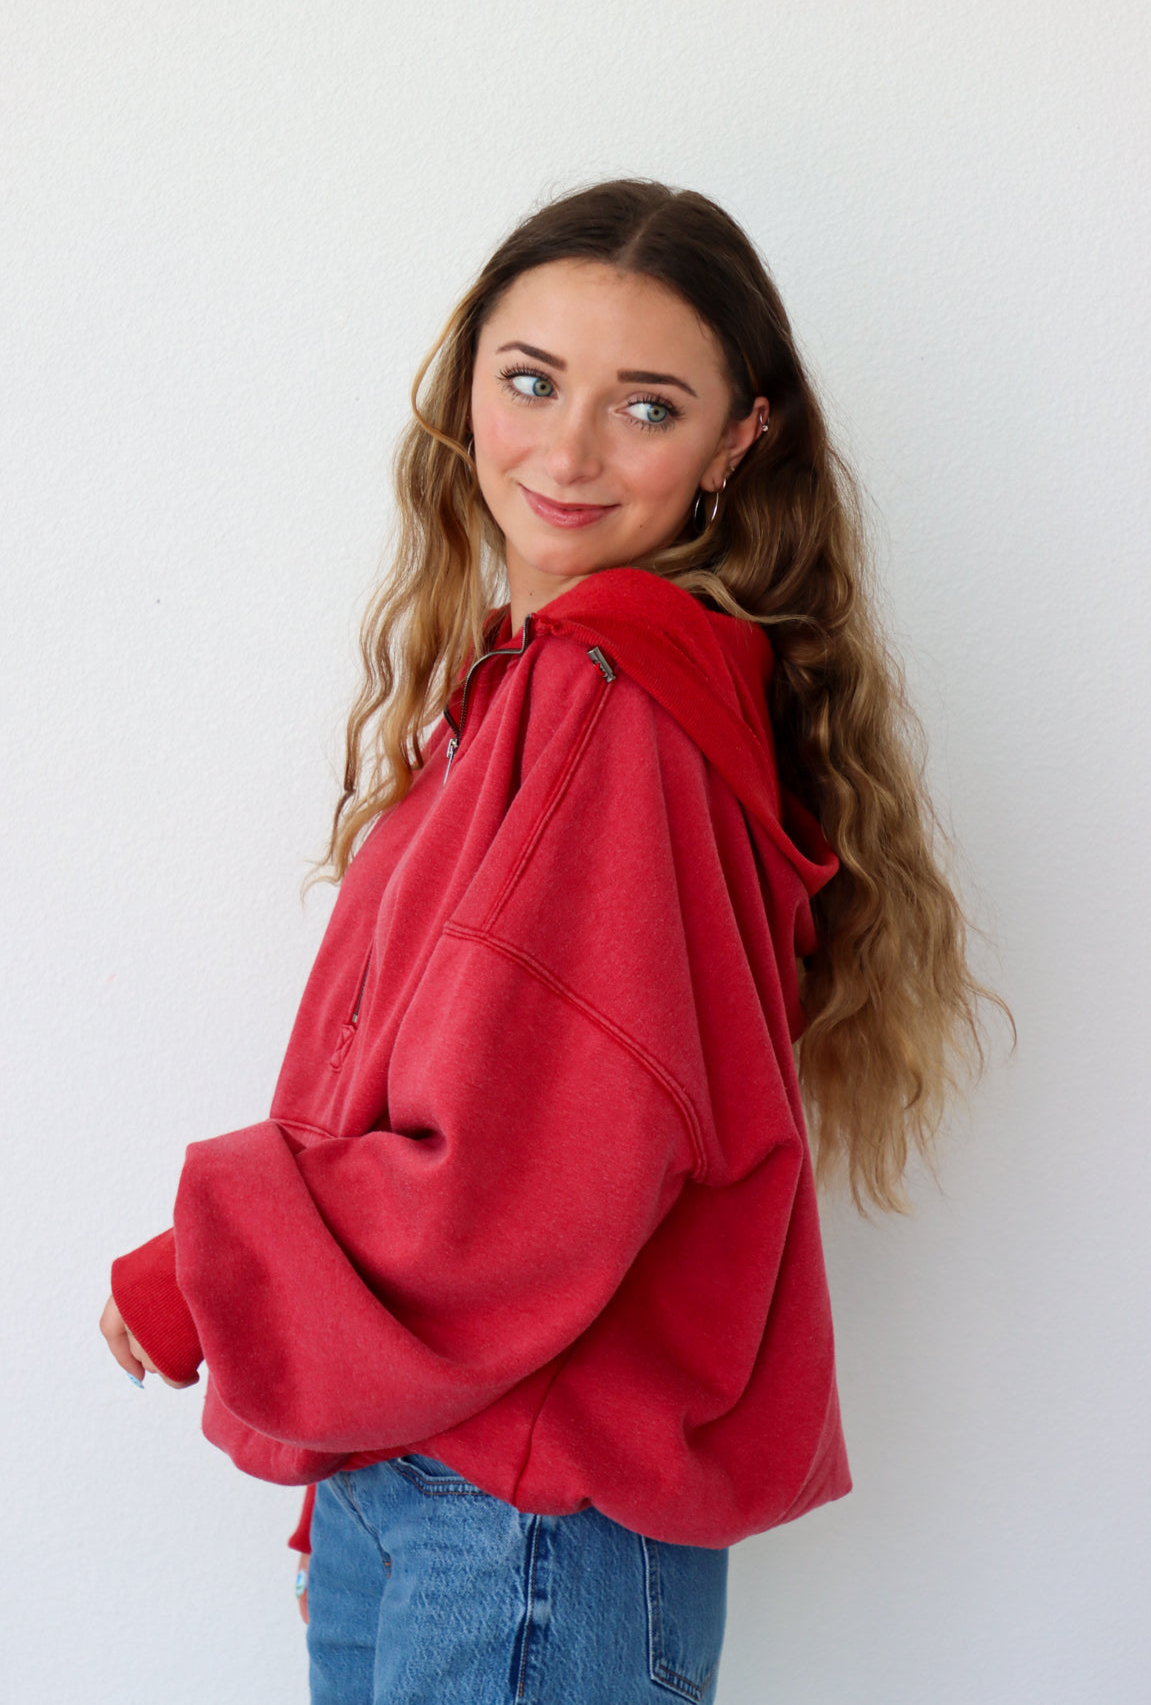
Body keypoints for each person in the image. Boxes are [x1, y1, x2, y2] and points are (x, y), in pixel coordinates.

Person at [100, 179, 999, 1704]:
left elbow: (534, 1169)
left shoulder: (613, 702)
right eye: (530, 381)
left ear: (736, 442)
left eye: (644, 407)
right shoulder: (535, 691)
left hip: (520, 1507)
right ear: (468, 386)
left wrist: (202, 1267)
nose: (568, 450)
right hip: (445, 1478)